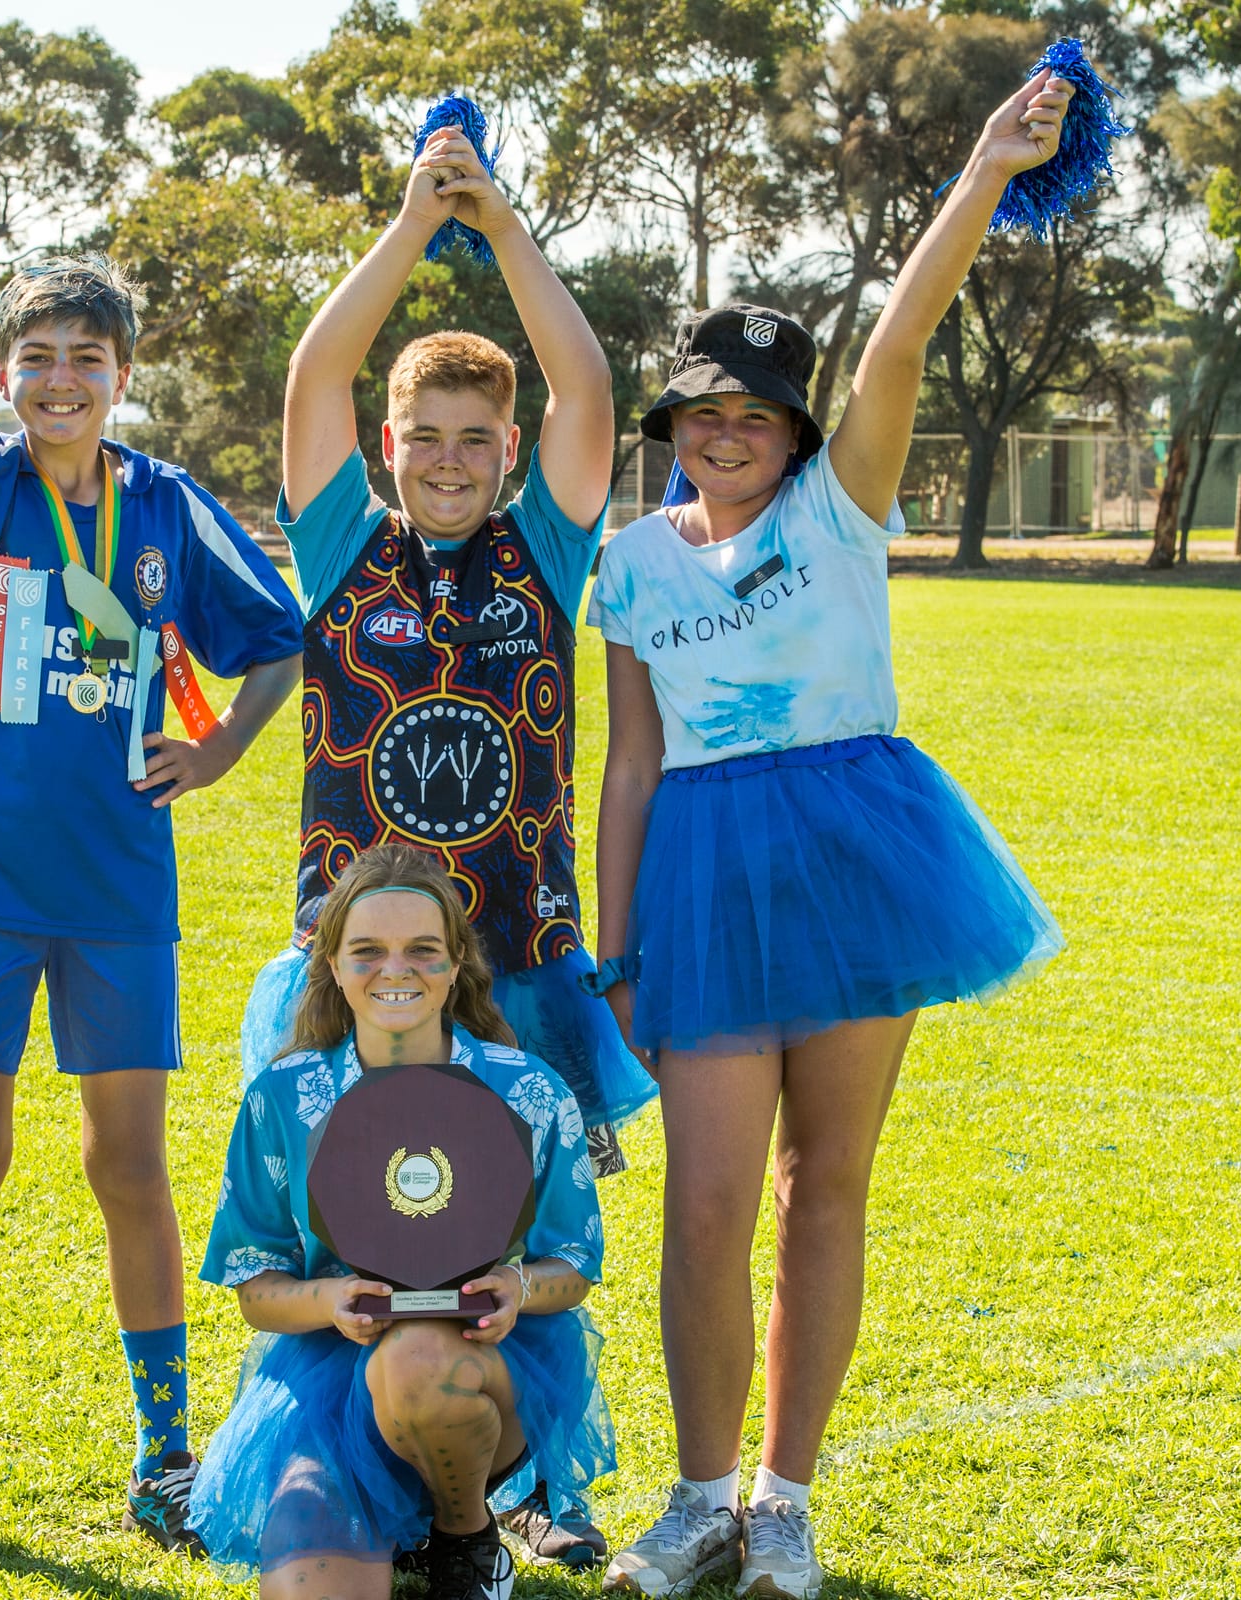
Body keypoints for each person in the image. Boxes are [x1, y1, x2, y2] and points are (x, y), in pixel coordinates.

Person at [588, 72, 1075, 1600]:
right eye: (704, 410)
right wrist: (615, 946)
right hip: (705, 878)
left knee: (826, 1188)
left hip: (861, 853)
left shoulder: (841, 505)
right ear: (673, 422)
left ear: (798, 429)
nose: (729, 431)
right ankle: (694, 1499)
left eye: (758, 412)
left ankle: (784, 1503)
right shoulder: (626, 563)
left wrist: (986, 175)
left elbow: (903, 338)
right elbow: (631, 761)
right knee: (709, 1198)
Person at [0, 227, 305, 1556]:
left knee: (127, 1165)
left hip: (115, 892)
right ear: (3, 372)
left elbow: (277, 641)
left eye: (85, 359)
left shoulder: (160, 505)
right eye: (34, 357)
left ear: (122, 375)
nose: (59, 379)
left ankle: (165, 1461)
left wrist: (214, 751)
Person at [238, 117, 653, 1565]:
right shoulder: (343, 547)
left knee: (520, 1240)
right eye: (428, 438)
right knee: (337, 1221)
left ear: (511, 450)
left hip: (518, 952)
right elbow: (313, 375)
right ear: (389, 447)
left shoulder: (548, 547)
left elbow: (589, 384)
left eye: (482, 439)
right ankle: (356, 1469)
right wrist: (415, 228)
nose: (453, 462)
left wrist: (507, 226)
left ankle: (542, 1487)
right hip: (357, 958)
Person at [191, 843, 614, 1600]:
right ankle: (389, 1527)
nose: (396, 971)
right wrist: (329, 1302)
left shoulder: (525, 1090)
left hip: (483, 1378)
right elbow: (254, 1282)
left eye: (423, 950)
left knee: (416, 1359)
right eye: (368, 951)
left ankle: (464, 1535)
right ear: (332, 966)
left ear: (457, 966)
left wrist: (518, 1287)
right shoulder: (283, 1098)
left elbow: (574, 1264)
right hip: (328, 1390)